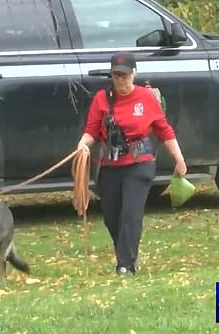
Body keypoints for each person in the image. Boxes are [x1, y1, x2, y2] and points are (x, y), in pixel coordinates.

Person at [76, 52, 187, 276]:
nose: (121, 81)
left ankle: (125, 265)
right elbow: (92, 130)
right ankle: (126, 256)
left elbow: (163, 130)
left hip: (139, 163)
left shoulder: (147, 98)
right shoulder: (101, 99)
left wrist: (179, 159)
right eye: (116, 76)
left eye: (125, 76)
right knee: (111, 215)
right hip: (110, 164)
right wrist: (82, 145)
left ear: (134, 74)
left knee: (130, 214)